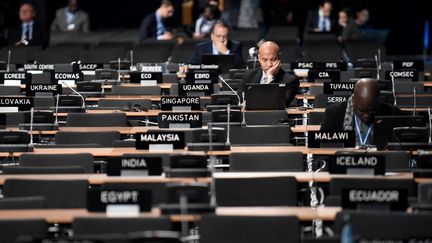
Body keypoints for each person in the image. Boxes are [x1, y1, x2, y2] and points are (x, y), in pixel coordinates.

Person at [321, 79, 404, 146]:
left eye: (373, 111)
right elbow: (322, 146)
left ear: (379, 102)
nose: (367, 115)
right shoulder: (334, 113)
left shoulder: (393, 113)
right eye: (362, 111)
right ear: (354, 100)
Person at [237, 41, 299, 106]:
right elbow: (240, 100)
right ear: (259, 58)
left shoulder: (291, 81)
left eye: (273, 59)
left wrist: (269, 78)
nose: (269, 64)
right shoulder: (248, 76)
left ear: (279, 58)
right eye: (265, 60)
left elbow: (279, 103)